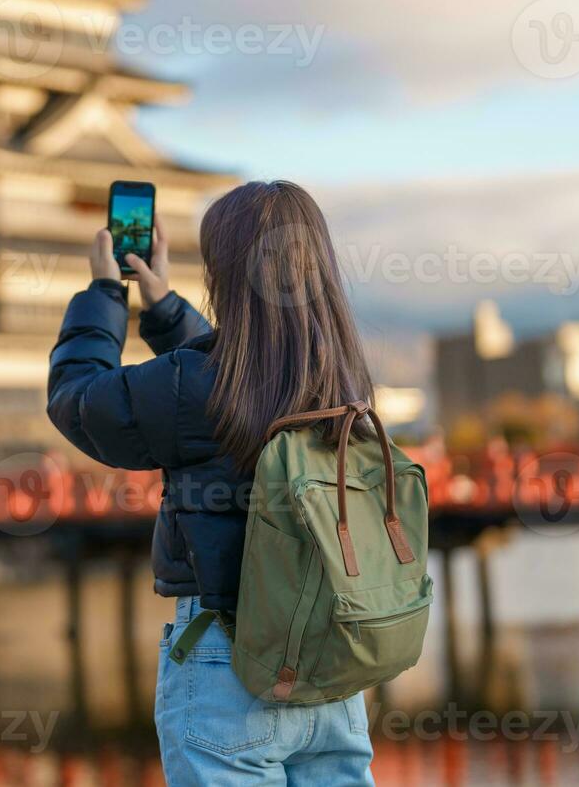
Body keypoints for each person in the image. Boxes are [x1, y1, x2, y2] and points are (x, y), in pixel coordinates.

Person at [47, 180, 377, 786]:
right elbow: (229, 377)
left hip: (230, 663)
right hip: (330, 670)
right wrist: (165, 305)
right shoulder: (341, 376)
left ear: (223, 272)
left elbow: (77, 401)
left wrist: (103, 294)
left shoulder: (202, 385)